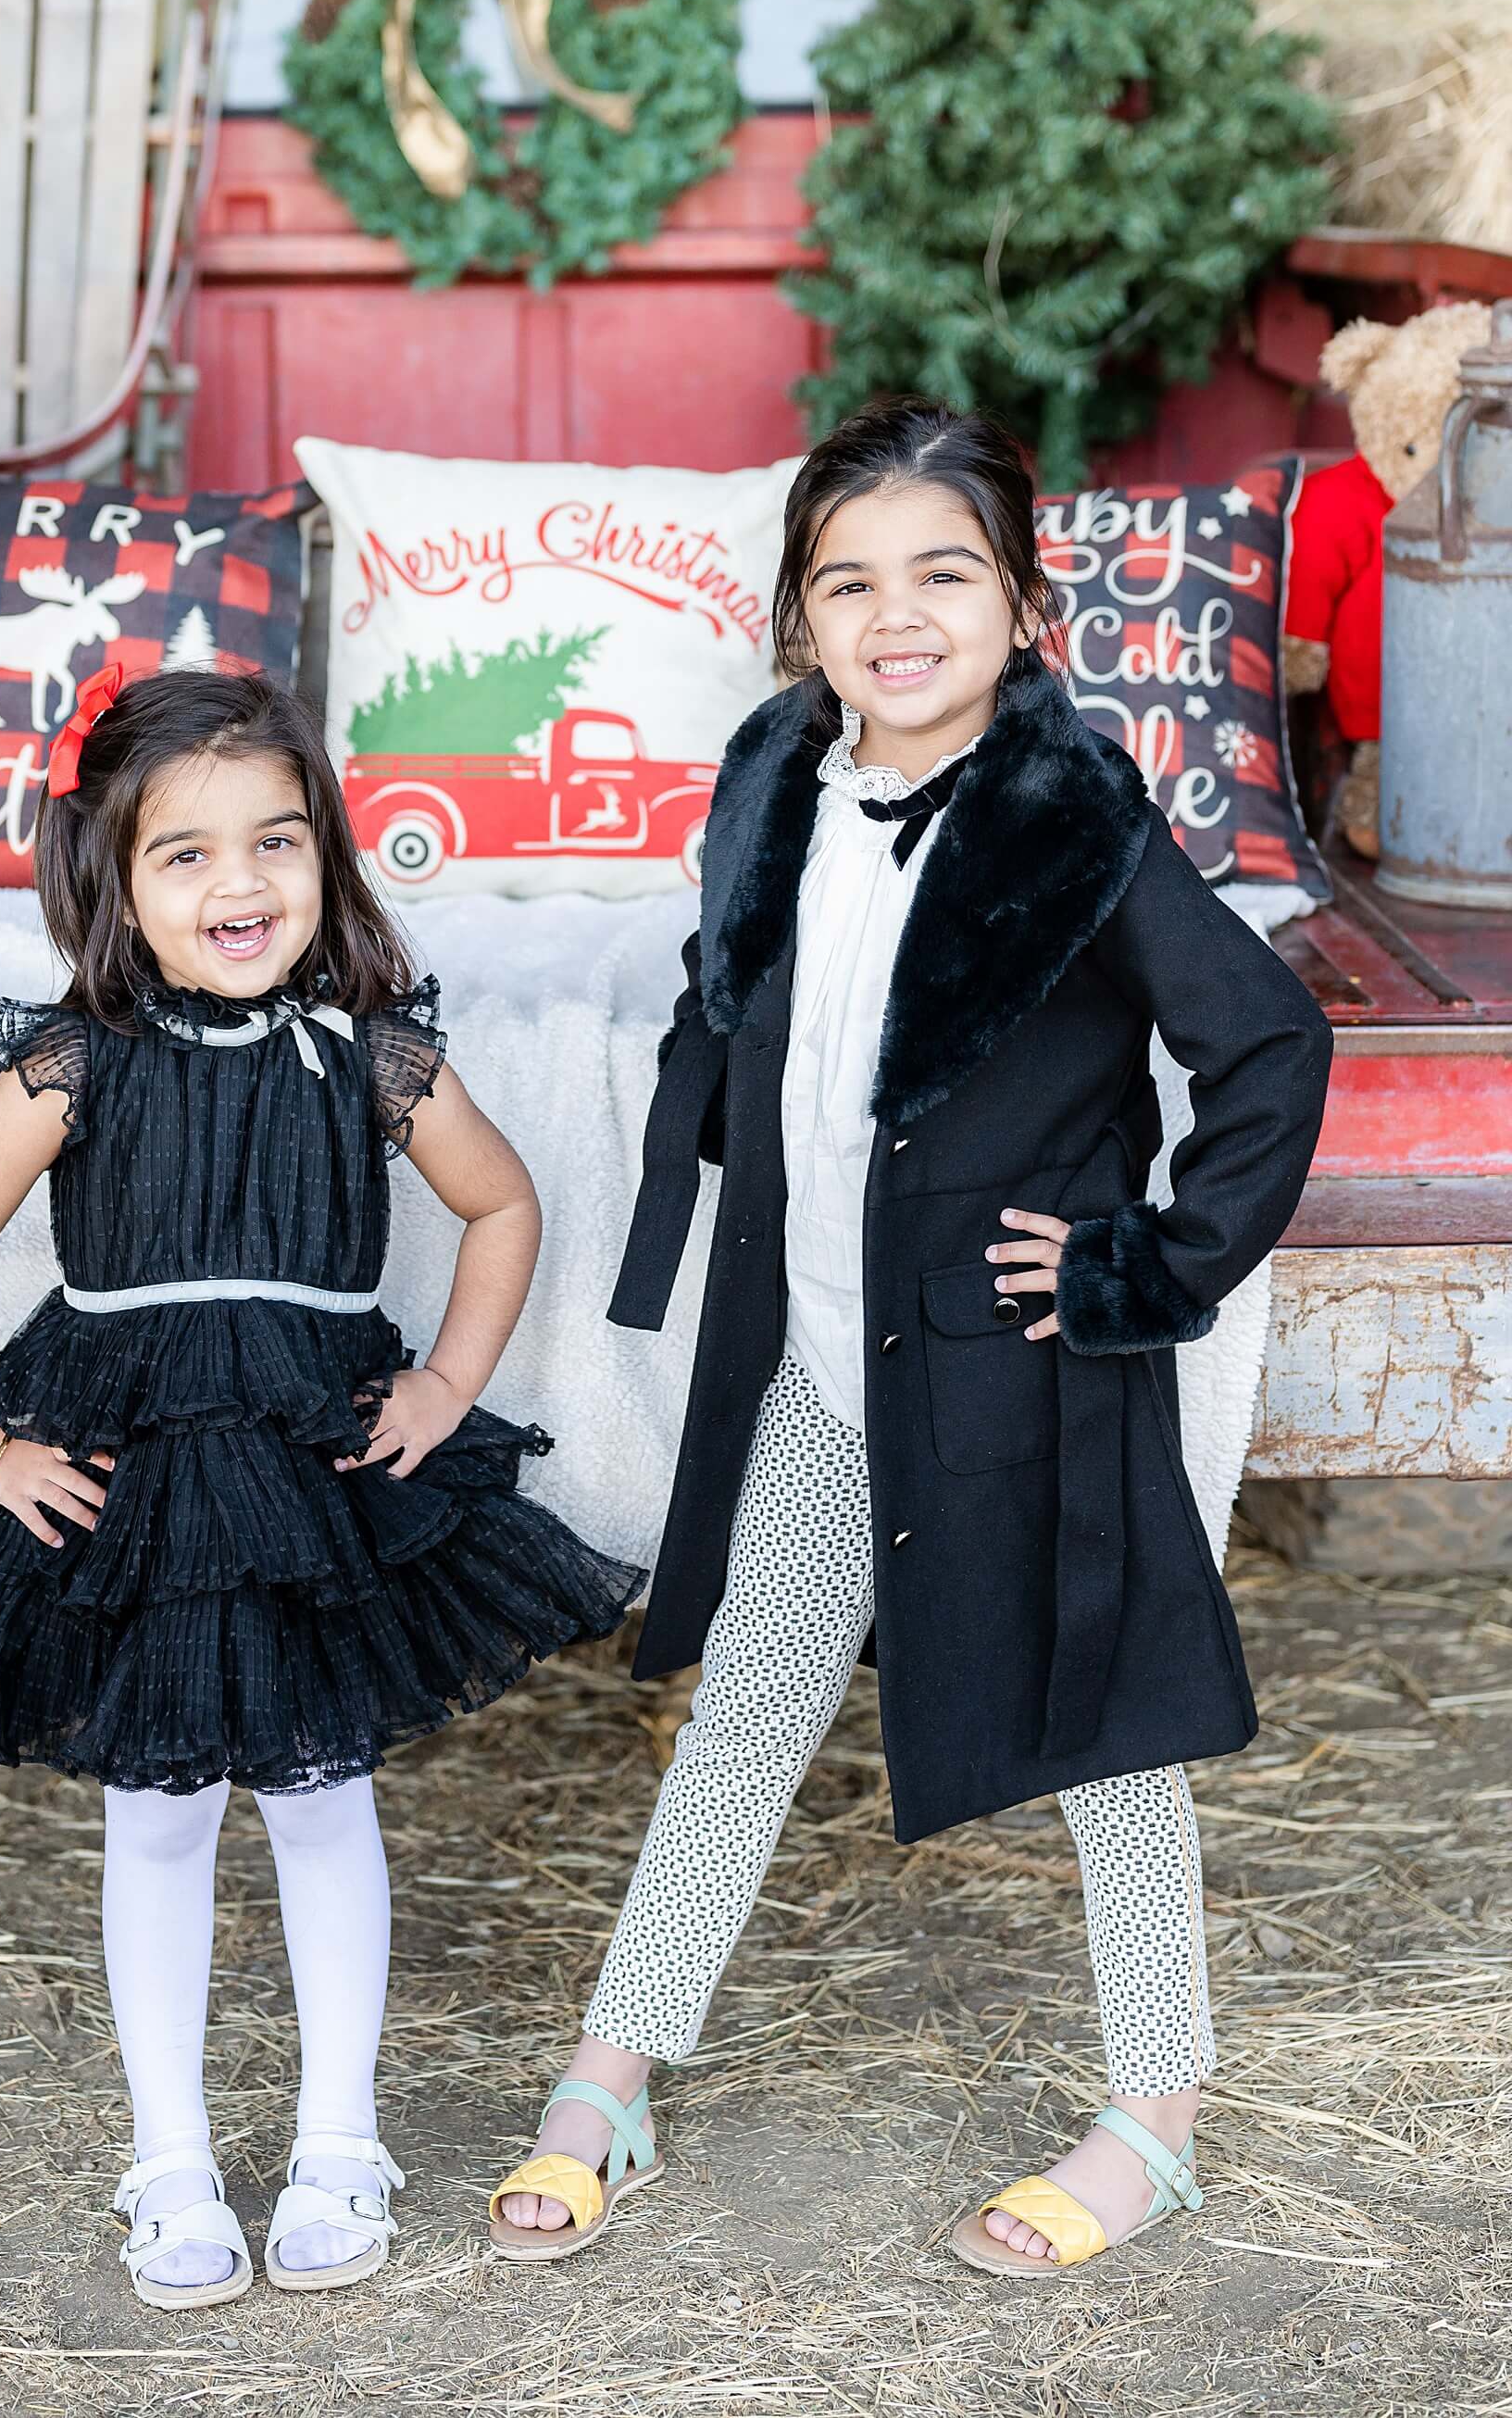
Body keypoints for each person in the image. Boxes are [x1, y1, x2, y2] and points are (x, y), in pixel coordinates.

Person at [489, 396, 1332, 2281]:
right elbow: (762, 1033)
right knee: (744, 1714)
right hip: (816, 1361)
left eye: (942, 573)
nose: (895, 613)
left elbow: (1268, 1044)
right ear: (796, 624)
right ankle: (613, 2070)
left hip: (1015, 1373)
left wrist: (1147, 1262)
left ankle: (1157, 2115)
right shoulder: (775, 780)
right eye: (845, 580)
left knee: (1111, 1732)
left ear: (1022, 609)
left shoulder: (1073, 824)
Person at [0, 665, 643, 2311]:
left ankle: (339, 2139)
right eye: (186, 856)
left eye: (276, 844)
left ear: (327, 855)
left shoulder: (368, 1055)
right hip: (137, 1465)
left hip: (308, 1465)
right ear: (111, 875)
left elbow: (502, 1208)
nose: (240, 886)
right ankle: (168, 2159)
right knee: (156, 1815)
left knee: (318, 1791)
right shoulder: (76, 1064)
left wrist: (444, 1382)